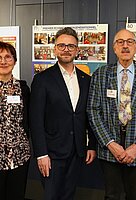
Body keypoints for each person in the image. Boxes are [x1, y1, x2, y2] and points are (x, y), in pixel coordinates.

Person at [87, 29, 136, 200]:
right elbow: (93, 111)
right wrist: (111, 144)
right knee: (111, 195)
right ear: (114, 48)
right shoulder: (101, 75)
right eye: (120, 42)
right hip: (109, 148)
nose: (125, 45)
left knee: (134, 196)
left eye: (130, 42)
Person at [29, 27, 96, 200]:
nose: (66, 49)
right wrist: (41, 154)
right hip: (51, 154)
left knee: (68, 196)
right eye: (62, 45)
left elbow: (89, 115)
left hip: (77, 152)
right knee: (52, 196)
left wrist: (91, 146)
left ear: (77, 50)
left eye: (71, 46)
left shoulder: (86, 79)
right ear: (55, 49)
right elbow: (35, 120)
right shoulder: (42, 79)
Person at [0, 41, 31, 200]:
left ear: (15, 61)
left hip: (19, 154)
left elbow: (29, 119)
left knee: (16, 195)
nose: (3, 61)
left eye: (7, 57)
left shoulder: (23, 88)